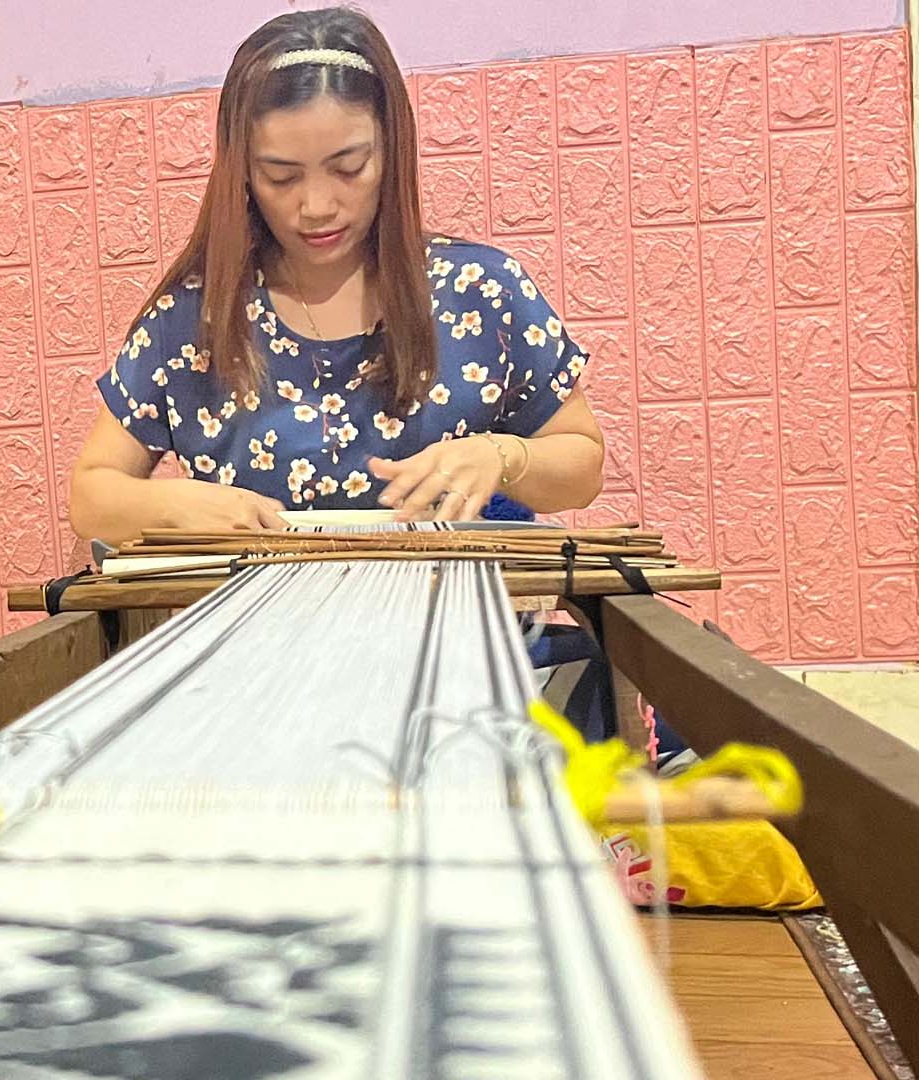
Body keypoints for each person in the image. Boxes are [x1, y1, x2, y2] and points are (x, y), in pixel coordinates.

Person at [67, 6, 692, 765]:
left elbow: (581, 462)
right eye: (280, 175)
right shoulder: (197, 318)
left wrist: (499, 456)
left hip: (461, 676)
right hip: (261, 685)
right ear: (241, 170)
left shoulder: (479, 292)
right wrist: (178, 506)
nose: (316, 205)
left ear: (391, 150)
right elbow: (92, 493)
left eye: (348, 166)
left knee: (646, 711)